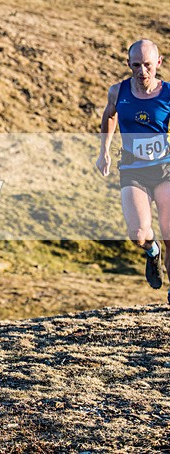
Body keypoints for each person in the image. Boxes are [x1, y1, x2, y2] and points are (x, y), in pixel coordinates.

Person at [96, 39, 169, 299]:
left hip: (164, 171)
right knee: (138, 234)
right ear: (128, 64)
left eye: (147, 65)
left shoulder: (168, 94)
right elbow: (109, 115)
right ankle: (152, 252)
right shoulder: (118, 92)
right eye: (136, 65)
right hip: (133, 170)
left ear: (158, 63)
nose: (142, 71)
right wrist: (104, 150)